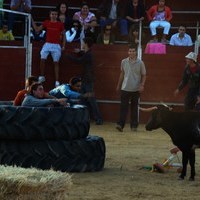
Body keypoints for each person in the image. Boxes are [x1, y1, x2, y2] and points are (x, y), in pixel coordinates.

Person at [67, 37, 103, 125]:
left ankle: (98, 118)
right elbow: (84, 56)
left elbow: (79, 61)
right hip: (86, 79)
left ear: (86, 44)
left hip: (88, 79)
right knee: (82, 99)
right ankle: (82, 118)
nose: (82, 44)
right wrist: (79, 52)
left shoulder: (88, 54)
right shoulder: (88, 53)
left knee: (90, 100)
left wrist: (69, 57)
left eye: (83, 43)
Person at [32, 8, 66, 88]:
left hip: (56, 45)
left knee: (56, 62)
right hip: (47, 44)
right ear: (50, 15)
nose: (54, 16)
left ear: (57, 15)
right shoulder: (46, 22)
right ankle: (42, 76)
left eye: (55, 14)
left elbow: (64, 35)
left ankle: (57, 81)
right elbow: (37, 29)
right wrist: (31, 19)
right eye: (52, 14)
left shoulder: (60, 24)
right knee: (42, 58)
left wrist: (63, 45)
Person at [116, 45, 146, 132]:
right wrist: (118, 85)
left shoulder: (140, 63)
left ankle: (134, 126)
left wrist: (142, 85)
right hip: (125, 87)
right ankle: (120, 125)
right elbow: (122, 74)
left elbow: (144, 75)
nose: (131, 53)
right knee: (123, 108)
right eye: (130, 51)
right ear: (128, 52)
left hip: (136, 89)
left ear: (136, 52)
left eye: (133, 51)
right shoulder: (123, 61)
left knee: (134, 108)